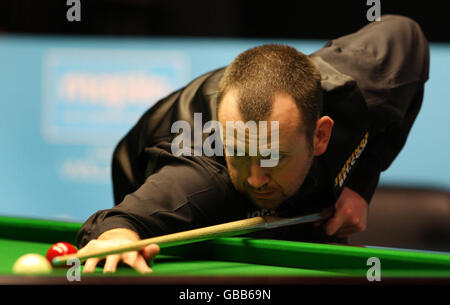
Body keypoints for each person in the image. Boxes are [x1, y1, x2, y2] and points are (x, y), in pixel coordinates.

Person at [76, 15, 429, 273]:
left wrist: (360, 184)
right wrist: (118, 235)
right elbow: (119, 223)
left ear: (321, 136)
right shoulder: (204, 177)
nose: (257, 177)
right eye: (241, 154)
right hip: (174, 182)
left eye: (272, 156)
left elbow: (408, 38)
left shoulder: (365, 83)